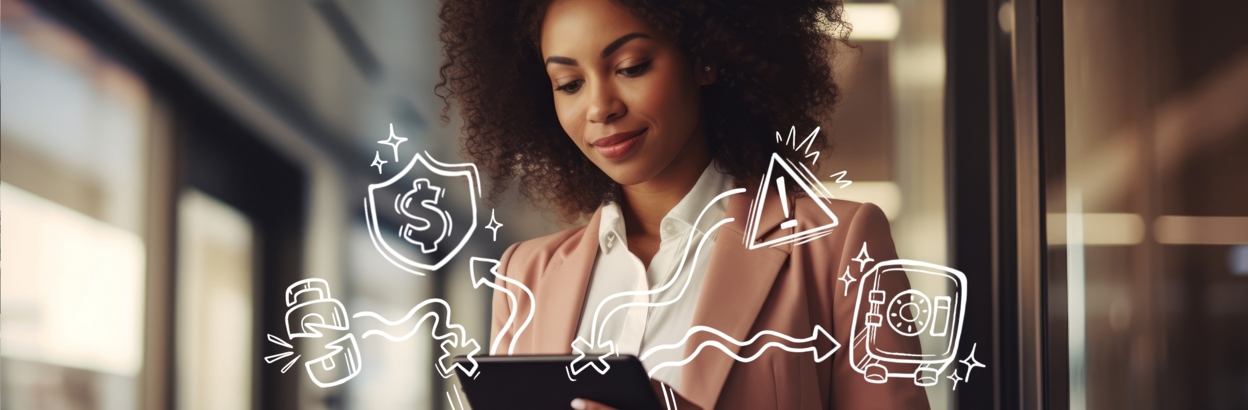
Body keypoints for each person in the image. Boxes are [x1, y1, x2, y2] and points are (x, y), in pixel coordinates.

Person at [437, 0, 930, 408]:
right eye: (569, 84)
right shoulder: (524, 274)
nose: (599, 106)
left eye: (630, 67)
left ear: (705, 59)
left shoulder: (835, 245)